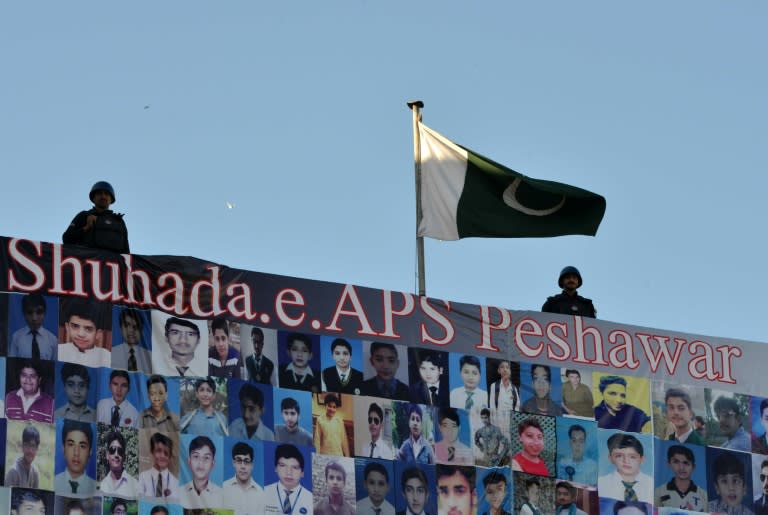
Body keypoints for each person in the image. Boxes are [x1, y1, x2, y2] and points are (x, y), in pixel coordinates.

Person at [63, 180, 130, 254]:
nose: (103, 196)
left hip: (112, 264)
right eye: (99, 194)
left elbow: (126, 251)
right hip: (87, 262)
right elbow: (66, 239)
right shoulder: (83, 215)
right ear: (93, 198)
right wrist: (86, 228)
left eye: (106, 194)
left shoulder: (118, 221)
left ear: (111, 199)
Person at [597, 433, 652, 503]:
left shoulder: (651, 484)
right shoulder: (601, 484)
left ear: (642, 459)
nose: (626, 461)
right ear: (610, 458)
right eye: (619, 456)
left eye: (632, 457)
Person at [58, 300, 111, 368]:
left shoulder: (106, 357)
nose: (81, 334)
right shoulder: (59, 351)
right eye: (75, 326)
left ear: (98, 333)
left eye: (88, 329)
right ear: (67, 327)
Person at [654, 445, 707, 511]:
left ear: (693, 467)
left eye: (686, 463)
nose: (681, 467)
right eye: (676, 462)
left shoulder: (704, 495)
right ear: (669, 464)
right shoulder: (658, 492)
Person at [263, 444, 312, 515]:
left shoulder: (310, 498)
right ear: (276, 468)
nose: (288, 472)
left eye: (295, 467)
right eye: (283, 466)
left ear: (302, 473)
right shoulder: (264, 492)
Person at [54, 420, 96, 497]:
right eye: (71, 444)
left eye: (82, 446)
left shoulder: (95, 488)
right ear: (63, 449)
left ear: (90, 452)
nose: (76, 453)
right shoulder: (53, 482)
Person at [9, 293, 57, 360]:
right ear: (24, 313)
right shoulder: (16, 337)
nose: (34, 318)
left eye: (39, 312)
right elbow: (12, 362)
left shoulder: (53, 339)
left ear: (45, 313)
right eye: (29, 312)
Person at [222, 441, 264, 515]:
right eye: (239, 461)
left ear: (252, 465)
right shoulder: (223, 489)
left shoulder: (260, 493)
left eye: (246, 461)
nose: (243, 466)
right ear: (233, 463)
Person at [180, 435, 222, 509]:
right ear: (189, 461)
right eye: (196, 456)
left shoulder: (222, 495)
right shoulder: (179, 493)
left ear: (213, 463)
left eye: (206, 458)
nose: (201, 463)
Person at [138, 432, 179, 502]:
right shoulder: (142, 478)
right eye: (158, 451)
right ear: (152, 453)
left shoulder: (176, 483)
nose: (162, 456)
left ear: (170, 457)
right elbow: (140, 503)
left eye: (166, 453)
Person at [99, 429, 138, 498]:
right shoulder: (103, 485)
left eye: (120, 451)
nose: (116, 454)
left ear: (124, 457)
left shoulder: (135, 485)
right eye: (112, 450)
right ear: (107, 455)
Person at [112, 308, 151, 373]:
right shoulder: (112, 354)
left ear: (141, 330)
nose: (131, 330)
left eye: (136, 326)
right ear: (121, 328)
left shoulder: (149, 357)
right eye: (127, 325)